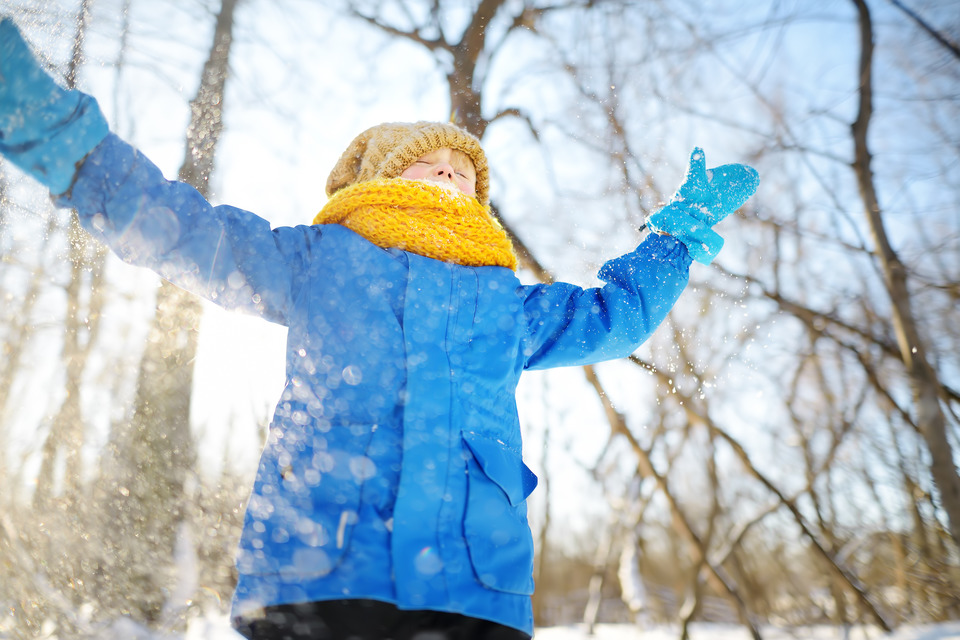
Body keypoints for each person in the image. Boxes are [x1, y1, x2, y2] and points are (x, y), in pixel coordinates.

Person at [0, 17, 758, 640]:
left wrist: (675, 238)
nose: (454, 176)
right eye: (431, 163)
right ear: (383, 179)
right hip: (322, 572)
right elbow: (188, 232)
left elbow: (610, 317)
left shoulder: (500, 300)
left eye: (466, 172)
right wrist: (71, 149)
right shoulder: (320, 259)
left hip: (471, 587)